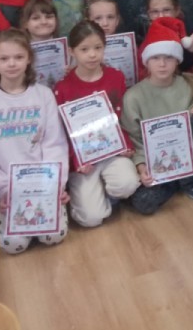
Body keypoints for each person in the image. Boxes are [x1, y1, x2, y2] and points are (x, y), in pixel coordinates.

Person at [0, 29, 70, 254]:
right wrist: (3, 190)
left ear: (29, 59)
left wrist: (56, 185)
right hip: (8, 188)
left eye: (18, 57)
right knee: (14, 245)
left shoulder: (44, 95)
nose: (12, 64)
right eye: (4, 58)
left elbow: (55, 144)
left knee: (53, 236)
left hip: (43, 184)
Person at [120, 18, 193, 215]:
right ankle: (172, 183)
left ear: (177, 60)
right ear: (146, 61)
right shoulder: (133, 96)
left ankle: (189, 179)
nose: (162, 64)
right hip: (157, 162)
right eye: (155, 58)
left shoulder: (190, 84)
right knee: (143, 203)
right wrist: (141, 166)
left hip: (189, 158)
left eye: (168, 58)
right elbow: (134, 139)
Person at [53, 20, 140, 228]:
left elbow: (122, 116)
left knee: (128, 183)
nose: (92, 55)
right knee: (91, 219)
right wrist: (76, 160)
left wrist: (125, 144)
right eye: (84, 49)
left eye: (98, 48)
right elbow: (61, 133)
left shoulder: (116, 77)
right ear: (72, 51)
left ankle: (107, 191)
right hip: (83, 160)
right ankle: (92, 195)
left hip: (112, 152)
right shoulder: (62, 88)